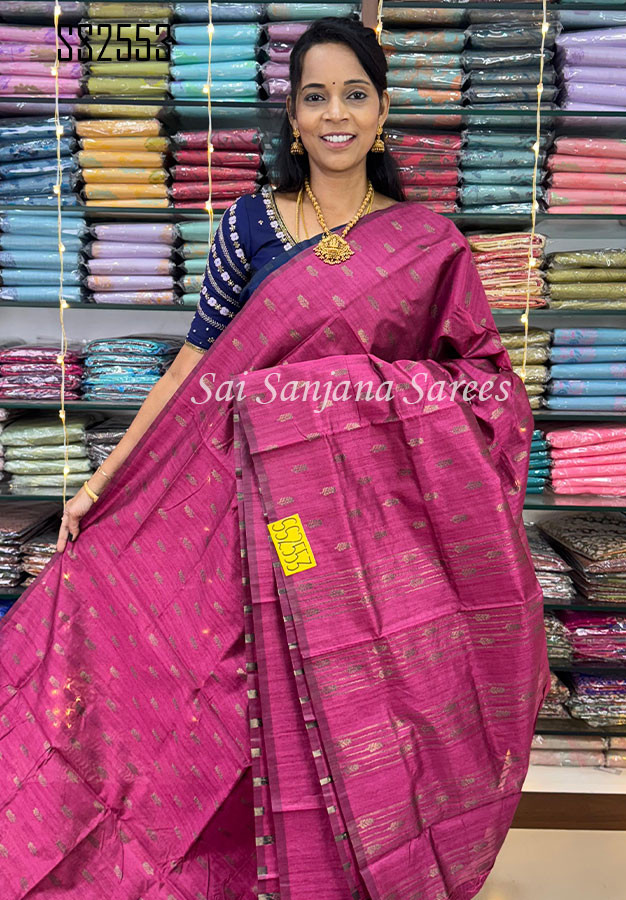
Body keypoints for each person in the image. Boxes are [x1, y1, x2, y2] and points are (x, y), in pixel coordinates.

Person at [2, 18, 550, 900]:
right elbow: (194, 364)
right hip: (229, 513)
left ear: (381, 113)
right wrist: (101, 482)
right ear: (292, 118)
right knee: (216, 699)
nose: (336, 114)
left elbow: (486, 389)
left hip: (345, 540)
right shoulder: (250, 224)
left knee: (326, 692)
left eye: (354, 95)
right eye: (315, 97)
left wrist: (335, 394)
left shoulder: (427, 244)